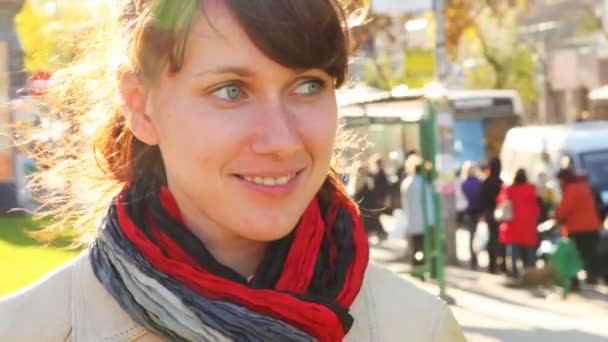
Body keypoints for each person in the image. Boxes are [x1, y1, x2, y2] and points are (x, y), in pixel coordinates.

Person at [0, 1, 465, 341]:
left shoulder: (417, 328)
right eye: (230, 91)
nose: (281, 139)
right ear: (142, 105)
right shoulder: (32, 329)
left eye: (308, 85)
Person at [555, 168, 602, 287]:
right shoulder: (584, 186)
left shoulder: (571, 189)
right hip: (592, 226)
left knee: (574, 255)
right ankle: (592, 277)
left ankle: (574, 281)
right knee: (591, 253)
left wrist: (556, 215)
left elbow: (565, 208)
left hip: (577, 228)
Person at [497, 169, 540, 279]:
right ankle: (531, 272)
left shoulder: (509, 189)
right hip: (528, 223)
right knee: (530, 248)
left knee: (513, 249)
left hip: (513, 223)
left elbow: (501, 202)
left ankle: (515, 273)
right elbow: (536, 205)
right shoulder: (531, 188)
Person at [400, 155, 435, 266]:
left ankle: (416, 265)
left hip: (411, 221)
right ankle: (422, 266)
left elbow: (404, 204)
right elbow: (429, 203)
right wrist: (431, 221)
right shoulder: (424, 184)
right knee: (425, 247)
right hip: (424, 221)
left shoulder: (406, 183)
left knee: (416, 247)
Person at [479, 157, 506, 274]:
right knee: (501, 239)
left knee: (491, 238)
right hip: (500, 214)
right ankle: (503, 263)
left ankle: (492, 265)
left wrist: (483, 213)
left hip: (489, 213)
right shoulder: (501, 183)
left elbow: (482, 200)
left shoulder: (485, 183)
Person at [461, 161, 482, 269]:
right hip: (476, 211)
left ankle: (473, 258)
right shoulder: (478, 182)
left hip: (470, 211)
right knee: (476, 236)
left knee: (472, 235)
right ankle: (475, 257)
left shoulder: (464, 183)